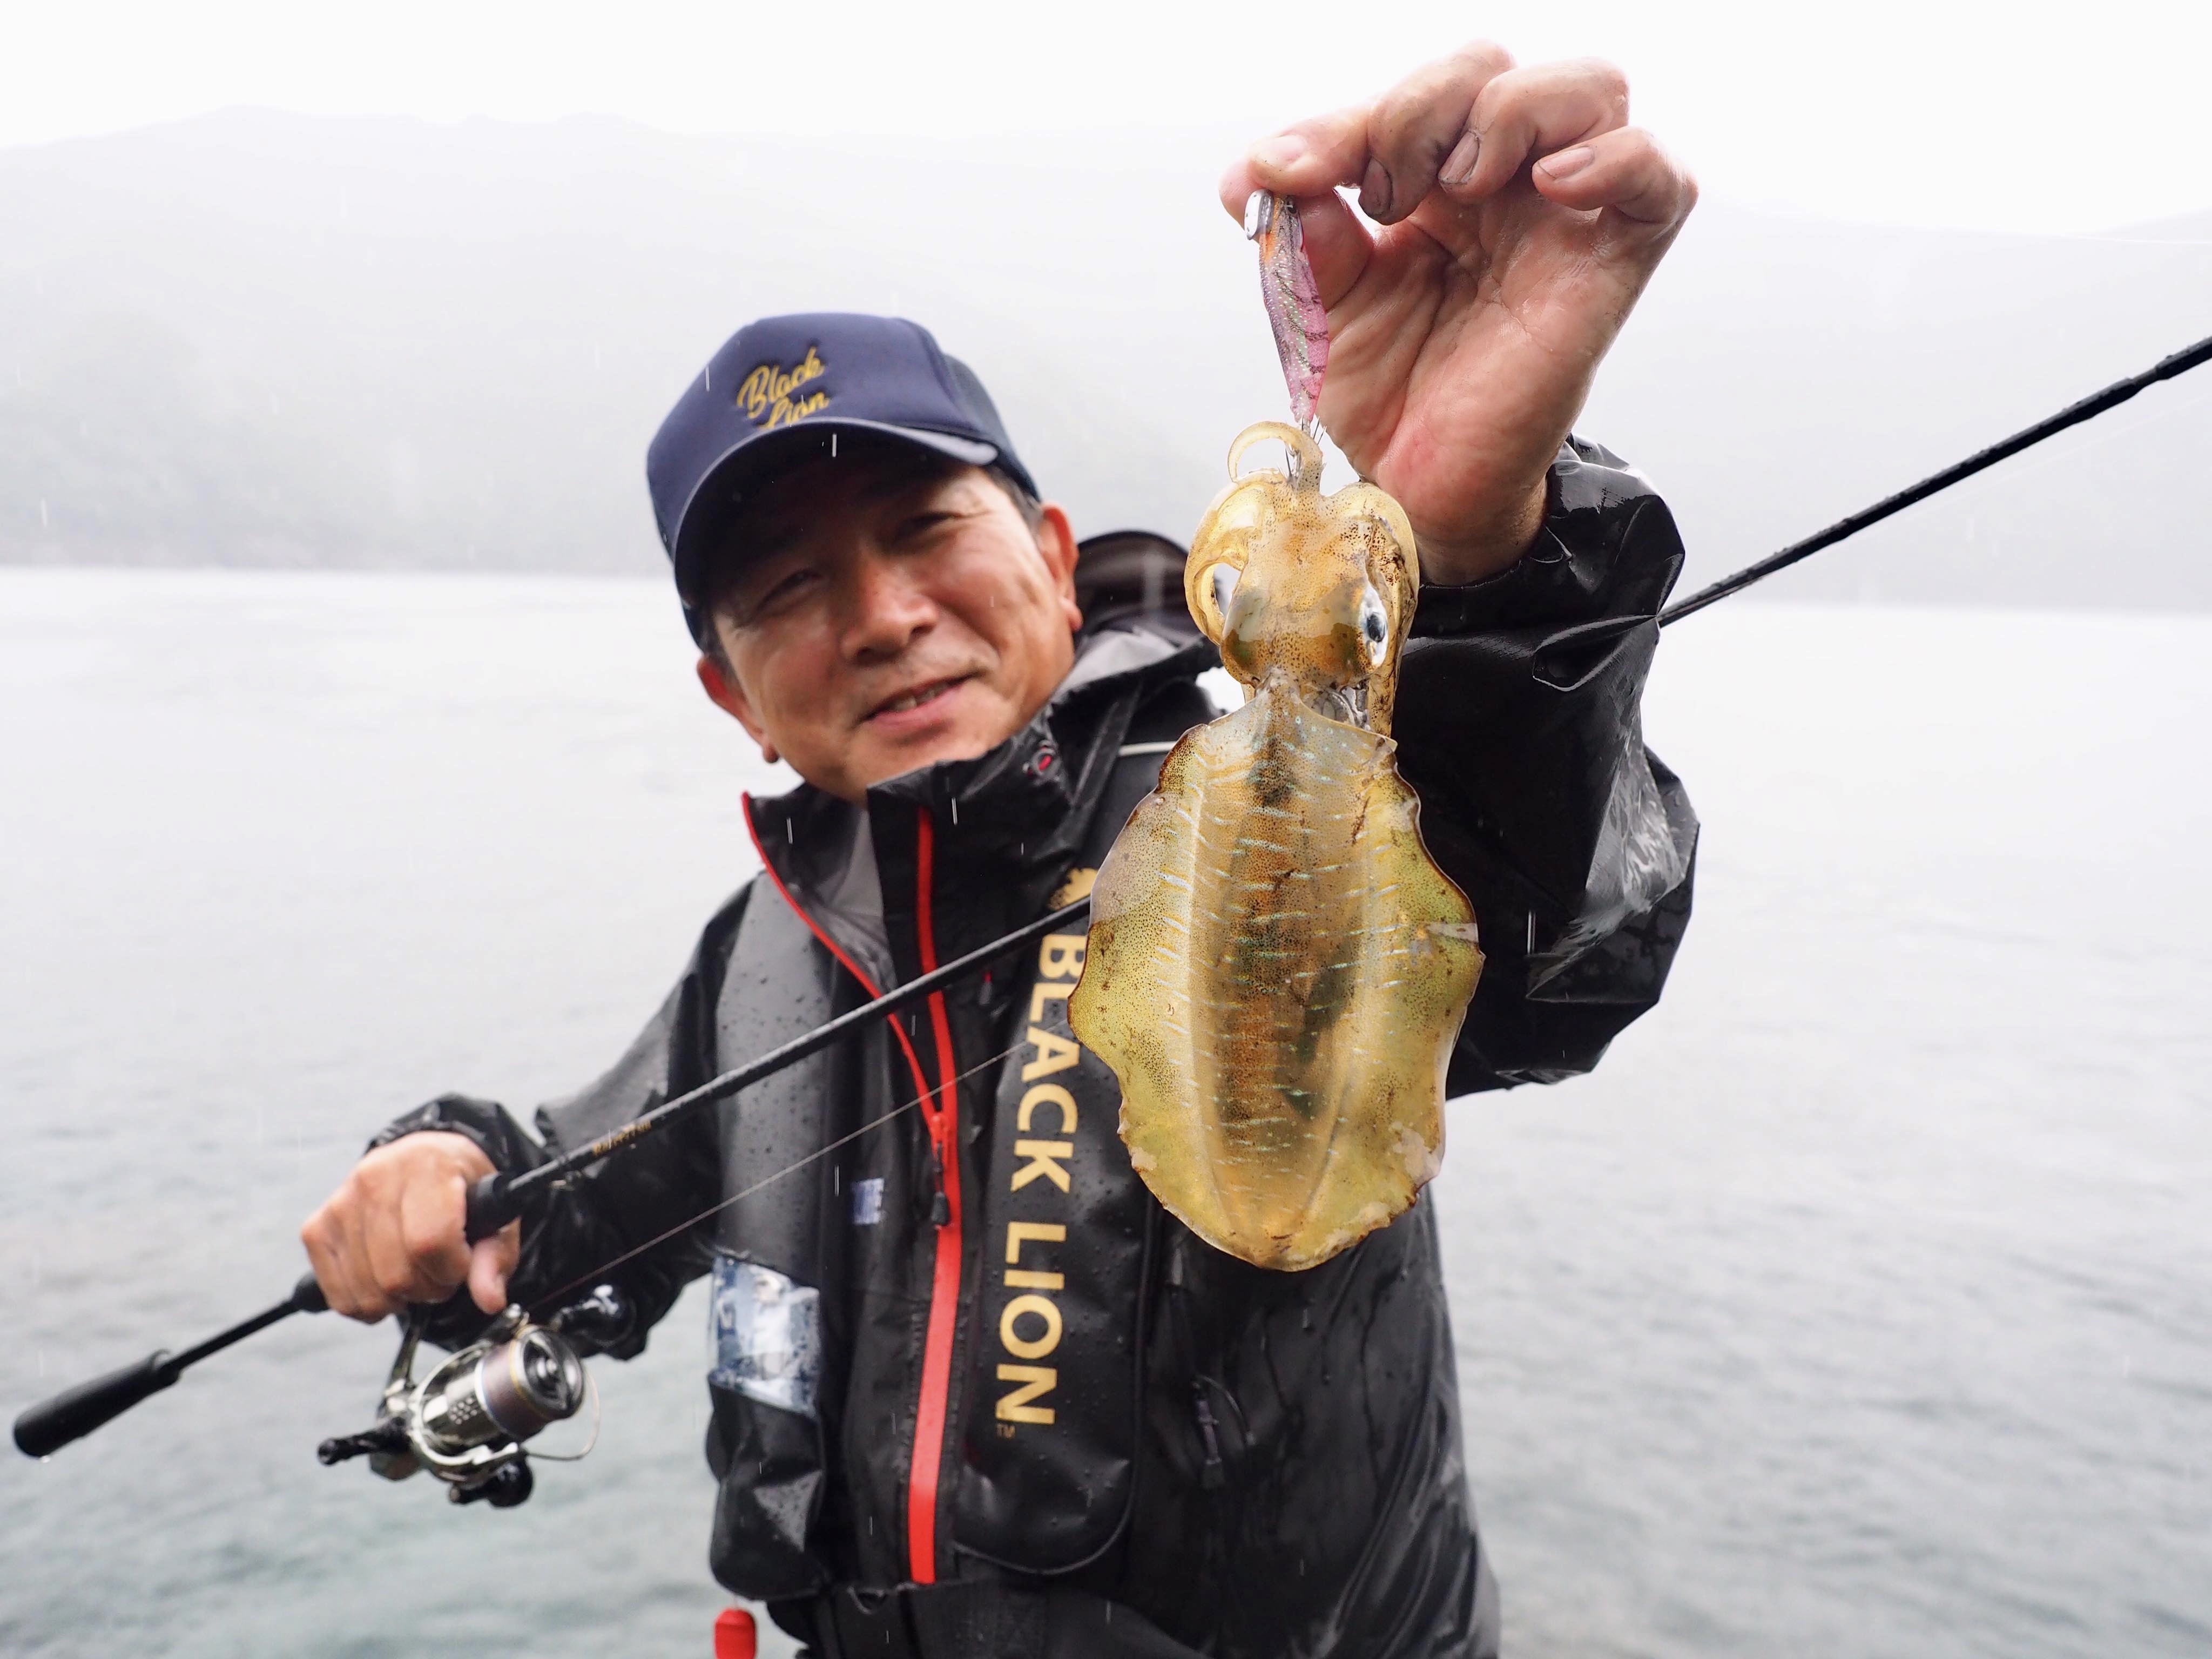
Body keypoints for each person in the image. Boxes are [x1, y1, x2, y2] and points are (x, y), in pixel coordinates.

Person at [302, 43, 1701, 1659]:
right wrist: (440, 1171)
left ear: (1049, 553)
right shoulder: (766, 953)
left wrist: (1477, 555)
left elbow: (1558, 942)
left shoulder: (1245, 807)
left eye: (925, 531)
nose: (885, 616)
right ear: (732, 696)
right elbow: (559, 1211)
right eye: (790, 590)